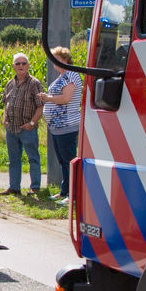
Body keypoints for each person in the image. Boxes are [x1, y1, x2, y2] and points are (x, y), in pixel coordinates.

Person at [40, 47, 83, 201]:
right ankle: (64, 191)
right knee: (63, 161)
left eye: (58, 59)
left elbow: (66, 98)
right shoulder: (62, 76)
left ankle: (73, 194)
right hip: (57, 127)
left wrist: (48, 98)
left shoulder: (71, 75)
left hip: (67, 125)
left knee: (69, 160)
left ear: (66, 59)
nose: (55, 63)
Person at [0, 52, 43, 195]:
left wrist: (32, 122)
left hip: (27, 129)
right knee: (13, 160)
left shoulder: (34, 84)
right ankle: (14, 187)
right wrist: (5, 119)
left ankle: (35, 187)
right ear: (13, 66)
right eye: (18, 63)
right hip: (11, 129)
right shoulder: (10, 83)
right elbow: (6, 103)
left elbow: (40, 106)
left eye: (24, 63)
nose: (21, 66)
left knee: (33, 158)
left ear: (28, 65)